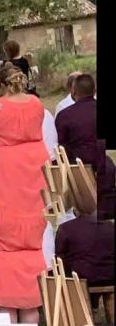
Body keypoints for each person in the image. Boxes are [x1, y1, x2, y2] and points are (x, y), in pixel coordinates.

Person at [0, 63, 48, 323]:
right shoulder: (37, 103)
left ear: (1, 84)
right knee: (33, 200)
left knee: (7, 200)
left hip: (8, 159)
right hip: (34, 156)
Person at [55, 72, 115, 219]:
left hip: (76, 169)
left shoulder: (64, 115)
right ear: (94, 91)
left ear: (73, 92)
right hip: (104, 166)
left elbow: (61, 147)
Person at [56, 195, 115, 288]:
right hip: (110, 277)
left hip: (81, 279)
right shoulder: (111, 227)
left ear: (75, 210)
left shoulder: (66, 228)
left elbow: (60, 258)